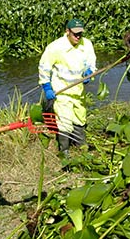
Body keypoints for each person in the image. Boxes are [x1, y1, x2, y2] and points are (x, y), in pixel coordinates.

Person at [38, 18, 97, 157]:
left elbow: (91, 63)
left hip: (78, 89)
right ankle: (64, 150)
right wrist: (47, 87)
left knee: (80, 116)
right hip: (62, 89)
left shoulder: (87, 44)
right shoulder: (55, 47)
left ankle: (80, 144)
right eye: (75, 33)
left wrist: (89, 73)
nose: (78, 36)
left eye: (80, 34)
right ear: (67, 32)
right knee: (64, 120)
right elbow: (44, 67)